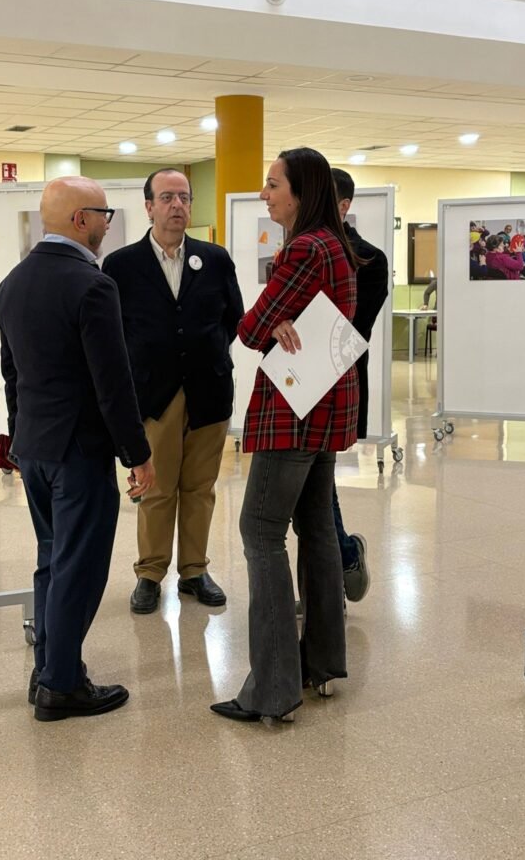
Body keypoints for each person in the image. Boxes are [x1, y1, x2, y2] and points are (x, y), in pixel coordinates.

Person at [0, 177, 155, 722]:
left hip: (36, 447)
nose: (108, 223)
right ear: (81, 219)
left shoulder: (12, 283)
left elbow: (12, 375)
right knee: (79, 568)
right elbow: (113, 383)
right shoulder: (92, 286)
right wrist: (137, 454)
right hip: (79, 453)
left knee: (52, 560)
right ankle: (61, 684)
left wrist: (19, 440)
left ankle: (48, 667)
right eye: (104, 214)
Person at [210, 147, 359, 724]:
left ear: (302, 192)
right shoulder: (336, 245)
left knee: (260, 530)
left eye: (273, 184)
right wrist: (281, 320)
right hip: (326, 409)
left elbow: (248, 329)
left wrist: (272, 322)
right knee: (316, 527)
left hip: (293, 412)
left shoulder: (303, 248)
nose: (265, 194)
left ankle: (272, 689)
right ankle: (321, 664)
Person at [103, 169, 244, 615]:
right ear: (149, 207)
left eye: (184, 197)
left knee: (200, 488)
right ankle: (149, 573)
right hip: (154, 394)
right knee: (156, 488)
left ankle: (194, 571)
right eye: (166, 198)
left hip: (209, 391)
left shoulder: (214, 259)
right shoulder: (121, 265)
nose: (177, 205)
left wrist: (206, 352)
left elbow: (233, 319)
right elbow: (114, 332)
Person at [330, 168, 388, 602]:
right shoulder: (298, 249)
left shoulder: (369, 259)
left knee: (314, 489)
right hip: (293, 387)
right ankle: (336, 568)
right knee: (309, 493)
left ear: (344, 205)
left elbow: (351, 331)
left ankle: (343, 560)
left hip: (337, 385)